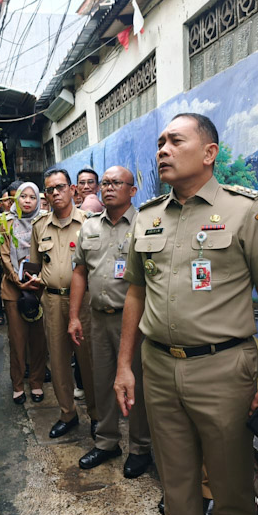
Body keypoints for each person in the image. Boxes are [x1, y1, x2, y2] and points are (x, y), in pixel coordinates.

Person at [115, 113, 258, 515]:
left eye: (175, 141)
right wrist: (124, 366)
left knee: (232, 491)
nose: (162, 150)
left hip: (223, 371)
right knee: (175, 486)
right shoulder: (149, 216)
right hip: (157, 368)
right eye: (160, 142)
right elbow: (135, 293)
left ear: (209, 153)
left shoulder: (246, 210)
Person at [68, 166, 152, 477]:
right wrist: (74, 316)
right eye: (105, 183)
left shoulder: (146, 225)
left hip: (135, 321)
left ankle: (141, 447)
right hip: (98, 319)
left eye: (116, 183)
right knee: (101, 381)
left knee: (136, 384)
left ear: (132, 190)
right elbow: (79, 273)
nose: (108, 187)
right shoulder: (89, 227)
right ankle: (106, 441)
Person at [30, 168, 98, 438]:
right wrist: (30, 284)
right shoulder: (40, 227)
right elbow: (34, 265)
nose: (55, 193)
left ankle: (97, 416)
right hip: (52, 301)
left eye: (60, 187)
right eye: (50, 189)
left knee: (89, 361)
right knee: (58, 362)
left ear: (73, 189)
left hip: (84, 302)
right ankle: (67, 413)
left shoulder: (90, 223)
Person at [0, 182, 48, 405]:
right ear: (16, 199)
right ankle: (18, 384)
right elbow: (4, 255)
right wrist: (17, 280)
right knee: (17, 340)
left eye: (32, 197)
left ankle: (36, 382)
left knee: (39, 340)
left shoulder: (44, 222)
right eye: (23, 196)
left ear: (38, 200)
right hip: (13, 289)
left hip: (39, 288)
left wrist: (38, 279)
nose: (27, 201)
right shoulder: (6, 222)